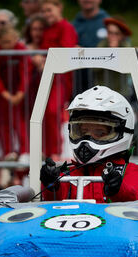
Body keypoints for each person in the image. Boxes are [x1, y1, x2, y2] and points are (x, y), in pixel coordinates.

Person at [40, 85, 138, 203]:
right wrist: (50, 185)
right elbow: (52, 204)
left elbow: (137, 203)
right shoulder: (67, 175)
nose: (87, 140)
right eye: (83, 132)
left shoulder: (131, 171)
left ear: (123, 131)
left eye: (100, 133)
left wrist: (118, 189)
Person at [0, 27, 32, 188]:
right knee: (4, 131)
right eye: (4, 42)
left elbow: (26, 71)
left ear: (16, 39)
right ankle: (13, 173)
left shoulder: (21, 50)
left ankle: (22, 175)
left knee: (22, 133)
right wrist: (4, 93)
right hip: (3, 98)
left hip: (21, 98)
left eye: (10, 41)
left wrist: (21, 91)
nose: (8, 45)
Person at [39, 0, 78, 161]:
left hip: (60, 77)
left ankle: (56, 151)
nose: (47, 14)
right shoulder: (48, 29)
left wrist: (43, 61)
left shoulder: (65, 27)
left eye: (49, 10)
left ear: (59, 8)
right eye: (44, 11)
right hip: (49, 76)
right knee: (47, 113)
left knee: (54, 112)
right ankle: (49, 150)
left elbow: (65, 53)